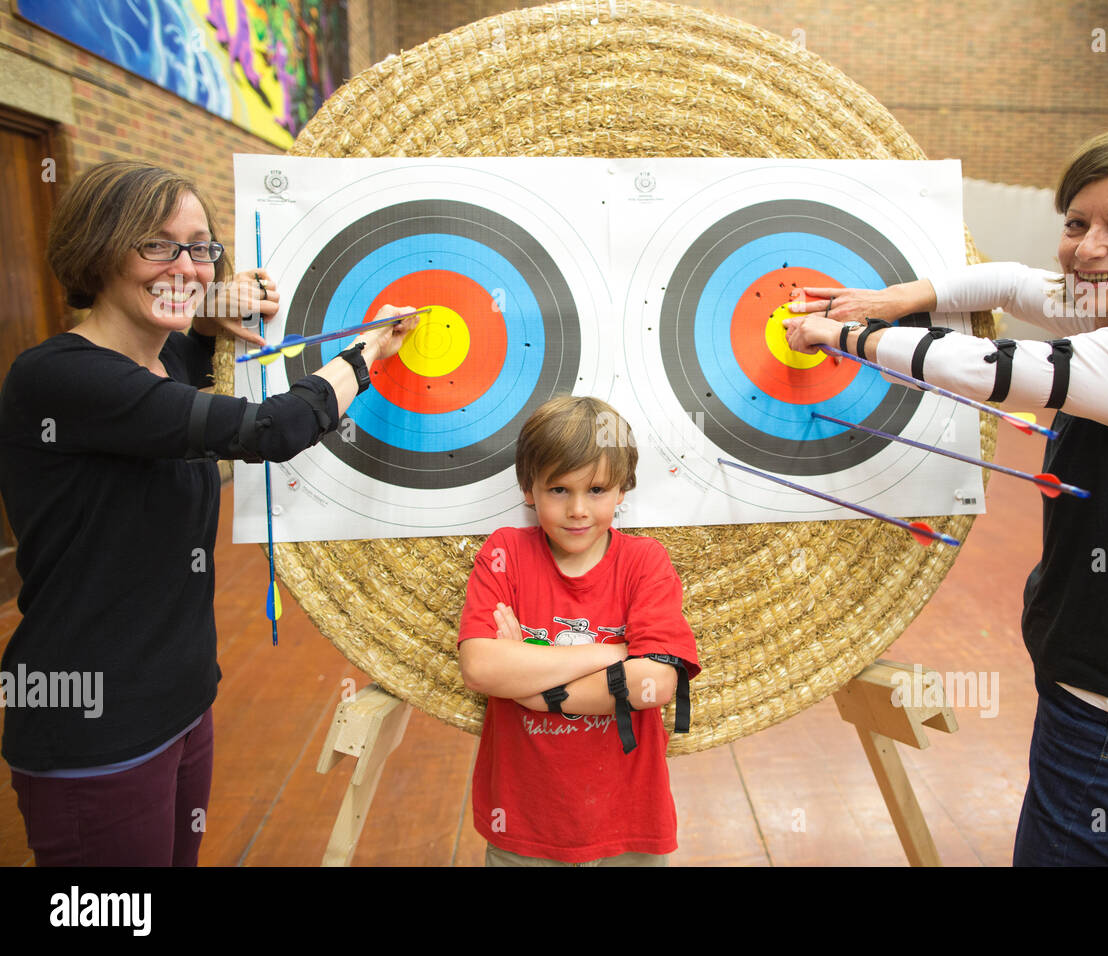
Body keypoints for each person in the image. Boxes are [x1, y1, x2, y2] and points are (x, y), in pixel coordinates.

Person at [782, 121, 1108, 866]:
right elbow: (1007, 282)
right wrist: (904, 296)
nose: (1089, 248)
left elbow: (989, 368)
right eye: (1076, 223)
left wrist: (841, 337)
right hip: (1097, 681)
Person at [0, 161, 419, 865]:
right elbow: (270, 429)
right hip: (94, 725)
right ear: (99, 248)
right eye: (156, 245)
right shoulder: (58, 376)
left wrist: (210, 308)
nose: (187, 266)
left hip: (183, 697)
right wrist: (367, 354)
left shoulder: (166, 355)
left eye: (201, 247)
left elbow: (185, 349)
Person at [458, 395, 700, 866]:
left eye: (596, 490)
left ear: (622, 490)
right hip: (524, 824)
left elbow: (655, 685)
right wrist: (610, 654)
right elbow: (481, 667)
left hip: (629, 823)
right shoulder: (505, 552)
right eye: (559, 490)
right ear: (529, 489)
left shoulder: (644, 561)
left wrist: (531, 688)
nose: (578, 510)